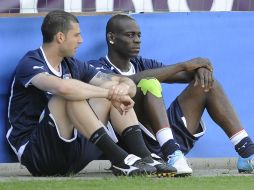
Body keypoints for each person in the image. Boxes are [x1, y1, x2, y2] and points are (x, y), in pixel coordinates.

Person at [6, 10, 177, 177]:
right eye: (76, 35)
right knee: (70, 95)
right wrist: (109, 93)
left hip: (72, 155)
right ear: (60, 37)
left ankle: (145, 157)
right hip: (38, 155)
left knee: (105, 95)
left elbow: (125, 83)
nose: (81, 41)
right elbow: (64, 88)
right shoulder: (30, 63)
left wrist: (122, 90)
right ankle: (121, 158)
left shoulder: (73, 65)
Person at [88, 14, 254, 175]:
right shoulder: (95, 67)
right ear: (111, 38)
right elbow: (124, 81)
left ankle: (247, 152)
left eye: (139, 35)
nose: (137, 40)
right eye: (130, 35)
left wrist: (201, 68)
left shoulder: (144, 64)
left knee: (207, 85)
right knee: (148, 83)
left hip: (167, 140)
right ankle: (171, 153)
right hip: (138, 151)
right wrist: (184, 65)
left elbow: (186, 75)